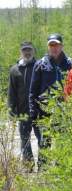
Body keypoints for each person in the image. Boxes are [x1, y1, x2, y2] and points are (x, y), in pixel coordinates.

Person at [7, 41, 41, 171]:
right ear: (21, 52)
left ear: (34, 51)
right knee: (25, 139)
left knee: (42, 139)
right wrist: (11, 110)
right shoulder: (14, 70)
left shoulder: (39, 66)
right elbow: (12, 92)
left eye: (30, 50)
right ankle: (28, 166)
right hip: (22, 112)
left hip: (38, 111)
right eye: (25, 50)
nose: (27, 52)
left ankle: (44, 166)